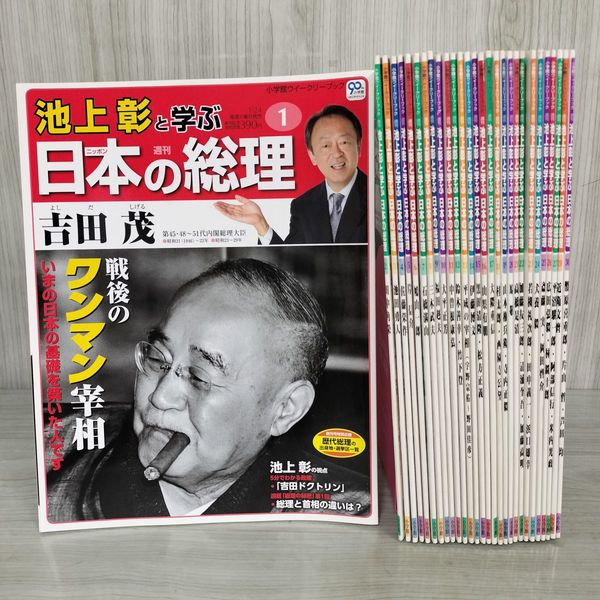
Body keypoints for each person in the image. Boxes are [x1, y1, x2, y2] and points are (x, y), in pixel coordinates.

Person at [47, 258, 369, 520]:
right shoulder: (56, 445)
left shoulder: (343, 509)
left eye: (200, 377)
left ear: (285, 409)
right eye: (159, 359)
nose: (160, 396)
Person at [214, 105, 367, 244]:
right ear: (312, 156)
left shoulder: (376, 196)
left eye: (344, 142)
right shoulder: (303, 205)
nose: (337, 153)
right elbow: (291, 257)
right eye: (326, 145)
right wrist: (260, 224)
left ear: (359, 147)